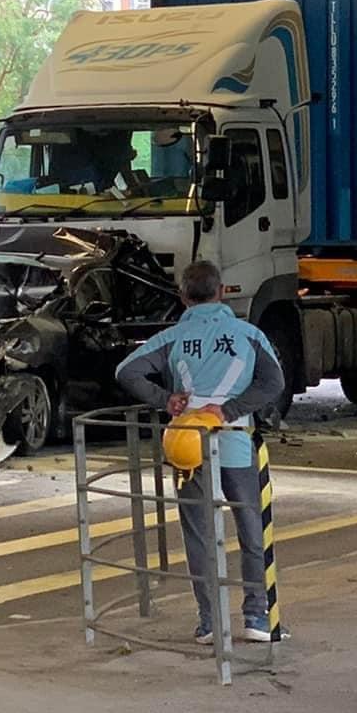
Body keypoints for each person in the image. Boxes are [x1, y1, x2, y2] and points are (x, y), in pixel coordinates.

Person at [117, 260, 288, 644]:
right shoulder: (248, 334)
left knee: (198, 531)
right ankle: (257, 617)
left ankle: (210, 622)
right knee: (251, 528)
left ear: (182, 296)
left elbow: (126, 371)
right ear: (223, 291)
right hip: (236, 441)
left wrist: (167, 400)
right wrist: (228, 411)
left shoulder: (172, 337)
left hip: (186, 446)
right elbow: (273, 381)